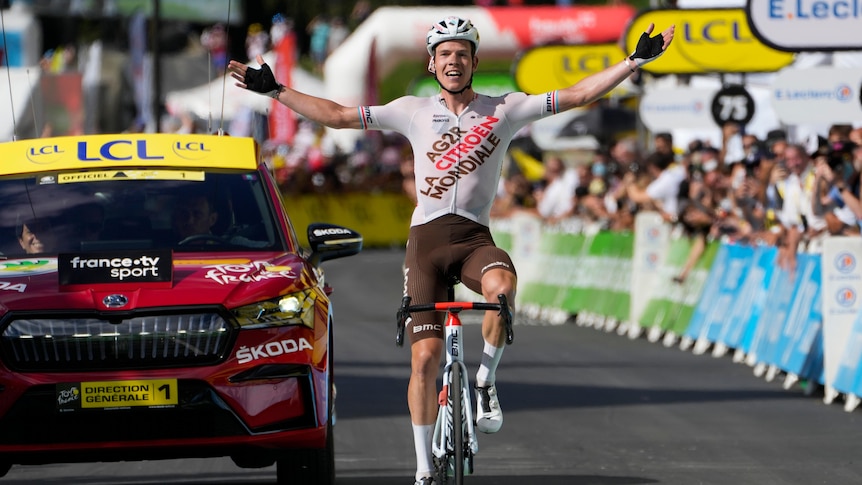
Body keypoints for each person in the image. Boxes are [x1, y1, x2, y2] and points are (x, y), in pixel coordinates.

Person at [228, 16, 674, 484]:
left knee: (502, 289)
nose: (453, 61)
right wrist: (277, 90)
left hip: (475, 239)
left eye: (462, 53)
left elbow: (578, 94)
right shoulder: (411, 110)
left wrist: (633, 61)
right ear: (431, 63)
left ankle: (484, 383)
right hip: (426, 244)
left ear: (475, 61)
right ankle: (423, 468)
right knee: (424, 359)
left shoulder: (507, 108)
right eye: (444, 54)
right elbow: (337, 115)